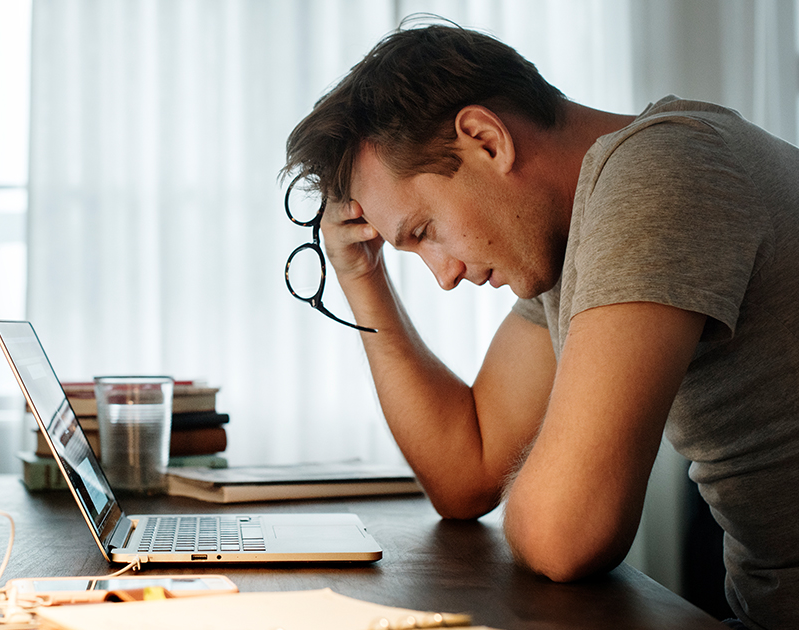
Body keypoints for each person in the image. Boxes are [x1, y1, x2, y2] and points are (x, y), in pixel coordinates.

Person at [282, 20, 799, 630]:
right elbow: (467, 474)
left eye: (424, 232)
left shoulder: (663, 172)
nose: (444, 276)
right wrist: (362, 277)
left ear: (485, 139)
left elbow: (566, 534)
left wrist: (552, 486)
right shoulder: (571, 237)